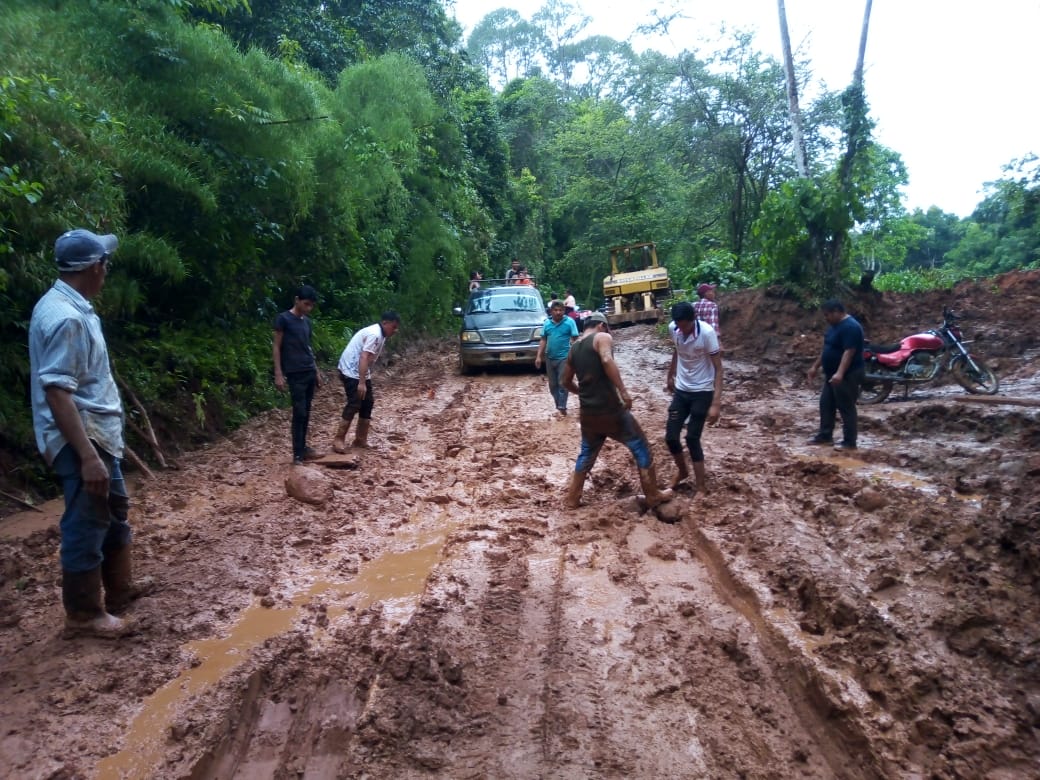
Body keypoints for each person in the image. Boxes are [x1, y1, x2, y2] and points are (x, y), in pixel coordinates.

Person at [29, 229, 149, 637]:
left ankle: (119, 589)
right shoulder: (66, 318)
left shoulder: (68, 305)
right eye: (106, 263)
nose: (107, 271)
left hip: (96, 431)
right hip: (81, 437)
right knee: (87, 517)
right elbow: (58, 393)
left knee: (113, 508)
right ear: (96, 267)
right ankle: (83, 614)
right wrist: (87, 456)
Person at [561, 312, 673, 509]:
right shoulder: (602, 337)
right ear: (602, 325)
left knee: (586, 453)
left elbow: (565, 382)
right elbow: (606, 359)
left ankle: (572, 498)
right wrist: (623, 391)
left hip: (588, 413)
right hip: (611, 410)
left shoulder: (574, 348)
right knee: (640, 446)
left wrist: (583, 393)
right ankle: (653, 495)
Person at [665, 301, 723, 493]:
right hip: (682, 389)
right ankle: (682, 471)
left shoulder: (706, 334)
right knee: (671, 437)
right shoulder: (674, 328)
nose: (682, 330)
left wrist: (716, 403)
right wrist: (670, 374)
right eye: (679, 326)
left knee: (692, 438)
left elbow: (719, 368)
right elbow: (677, 350)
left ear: (693, 320)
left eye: (686, 326)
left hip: (703, 391)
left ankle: (701, 487)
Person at [331, 312, 401, 452]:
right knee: (355, 402)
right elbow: (364, 357)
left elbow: (367, 359)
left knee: (367, 402)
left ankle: (360, 439)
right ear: (385, 323)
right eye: (393, 327)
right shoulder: (375, 334)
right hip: (350, 369)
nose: (395, 331)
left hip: (360, 370)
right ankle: (338, 439)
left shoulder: (381, 334)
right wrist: (361, 383)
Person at [273, 285, 322, 465]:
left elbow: (308, 348)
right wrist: (278, 373)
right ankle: (297, 454)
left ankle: (303, 448)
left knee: (306, 411)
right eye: (306, 304)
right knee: (299, 412)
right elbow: (276, 347)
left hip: (308, 370)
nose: (308, 308)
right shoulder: (283, 319)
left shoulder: (307, 322)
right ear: (297, 300)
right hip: (294, 373)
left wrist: (316, 371)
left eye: (311, 305)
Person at [807, 299, 865, 450]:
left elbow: (849, 352)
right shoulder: (834, 327)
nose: (826, 318)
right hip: (831, 374)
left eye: (827, 315)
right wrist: (815, 367)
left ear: (837, 312)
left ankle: (849, 442)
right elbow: (827, 349)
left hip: (848, 374)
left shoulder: (851, 327)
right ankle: (825, 435)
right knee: (826, 404)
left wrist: (840, 373)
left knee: (846, 406)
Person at [535, 300, 579, 415]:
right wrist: (538, 356)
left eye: (560, 310)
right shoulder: (547, 323)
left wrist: (576, 355)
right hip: (549, 357)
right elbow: (543, 340)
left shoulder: (569, 322)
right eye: (556, 310)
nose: (558, 312)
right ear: (551, 311)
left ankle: (562, 406)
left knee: (562, 383)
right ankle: (558, 404)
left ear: (564, 311)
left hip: (564, 358)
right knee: (552, 385)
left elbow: (575, 339)